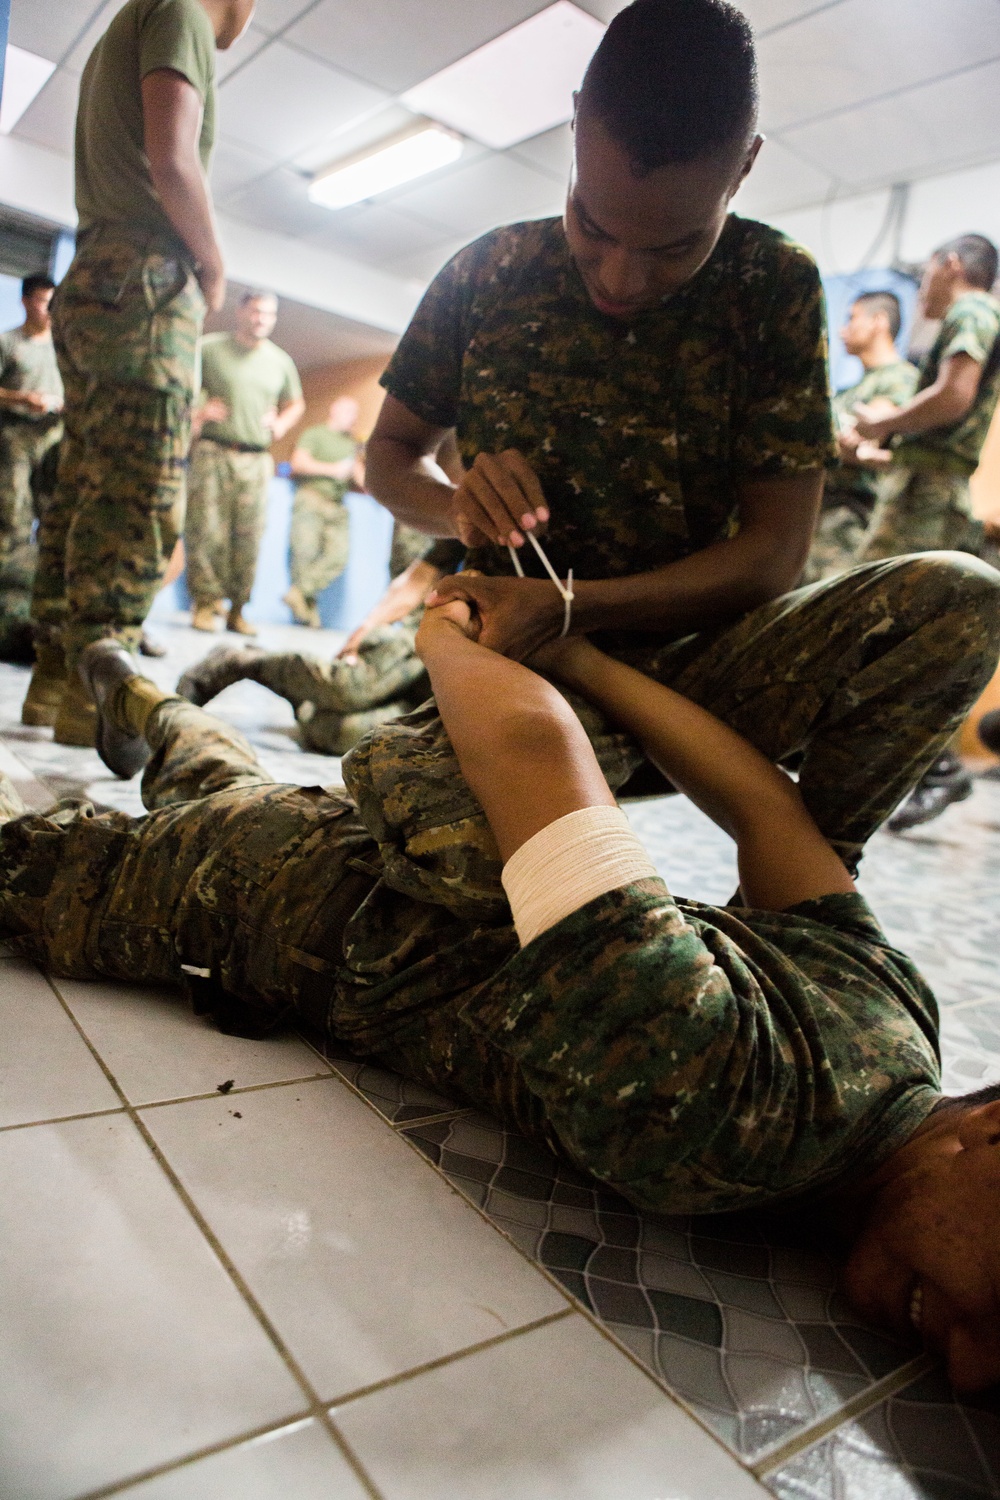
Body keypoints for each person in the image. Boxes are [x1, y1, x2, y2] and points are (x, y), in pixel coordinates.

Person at [4, 545, 1000, 1393]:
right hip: (269, 897)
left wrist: (580, 662)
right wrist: (448, 629)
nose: (973, 1371)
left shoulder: (897, 1018)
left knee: (227, 784)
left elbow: (768, 815)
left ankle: (147, 698)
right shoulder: (726, 1110)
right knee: (67, 864)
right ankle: (148, 704)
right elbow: (530, 751)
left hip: (336, 858)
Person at [363, 0, 977, 851]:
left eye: (674, 249)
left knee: (961, 601)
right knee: (443, 859)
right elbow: (390, 457)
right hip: (526, 669)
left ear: (744, 168)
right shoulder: (488, 271)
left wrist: (579, 610)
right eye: (592, 225)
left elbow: (773, 554)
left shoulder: (774, 287)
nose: (621, 277)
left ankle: (802, 895)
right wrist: (458, 502)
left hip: (708, 668)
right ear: (577, 124)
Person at [21, 0, 255, 745]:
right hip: (145, 279)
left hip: (95, 275)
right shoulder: (181, 9)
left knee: (87, 476)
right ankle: (102, 689)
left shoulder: (129, 21)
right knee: (141, 486)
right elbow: (173, 158)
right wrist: (214, 266)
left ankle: (56, 681)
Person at [852, 235, 1000, 832]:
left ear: (952, 265)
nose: (923, 292)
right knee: (890, 626)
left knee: (884, 623)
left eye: (927, 275)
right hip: (922, 484)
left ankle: (937, 767)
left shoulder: (973, 309)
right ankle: (922, 767)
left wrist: (883, 421)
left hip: (928, 494)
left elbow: (954, 397)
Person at [177, 535, 464, 754]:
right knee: (349, 687)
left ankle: (297, 692)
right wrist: (366, 629)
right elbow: (420, 576)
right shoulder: (481, 510)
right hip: (442, 641)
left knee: (345, 735)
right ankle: (240, 662)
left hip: (459, 692)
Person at [184, 290, 304, 636]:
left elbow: (295, 403)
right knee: (206, 530)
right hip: (213, 451)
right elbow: (183, 392)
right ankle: (206, 605)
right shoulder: (209, 348)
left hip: (256, 458)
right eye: (256, 312)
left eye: (269, 314)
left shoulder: (280, 361)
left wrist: (280, 424)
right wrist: (199, 412)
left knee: (249, 536)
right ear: (241, 312)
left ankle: (238, 609)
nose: (262, 319)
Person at [802, 291, 917, 583]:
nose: (843, 329)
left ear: (878, 321)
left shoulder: (900, 378)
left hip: (847, 516)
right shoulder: (850, 390)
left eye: (852, 318)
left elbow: (862, 439)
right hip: (814, 514)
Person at [0, 275, 64, 662]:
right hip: (15, 440)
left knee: (54, 521)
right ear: (26, 302)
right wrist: (22, 397)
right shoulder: (9, 343)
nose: (47, 310)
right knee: (12, 522)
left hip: (54, 441)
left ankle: (43, 611)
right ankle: (8, 609)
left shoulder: (63, 346)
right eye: (42, 302)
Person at [284, 395, 363, 628]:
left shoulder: (353, 444)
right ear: (335, 410)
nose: (354, 419)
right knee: (304, 555)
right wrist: (333, 470)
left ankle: (299, 593)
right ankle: (307, 613)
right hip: (311, 499)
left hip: (337, 505)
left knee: (338, 556)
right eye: (350, 412)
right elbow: (297, 463)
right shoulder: (315, 434)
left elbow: (359, 476)